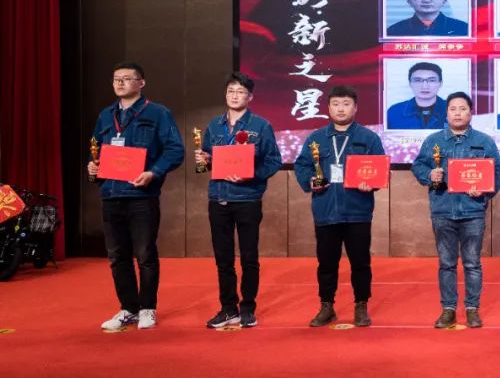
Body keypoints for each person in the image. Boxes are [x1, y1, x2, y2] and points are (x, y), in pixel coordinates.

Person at [88, 62, 184, 331]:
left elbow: (175, 150)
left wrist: (153, 172)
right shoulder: (105, 116)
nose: (120, 83)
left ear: (141, 83)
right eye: (116, 79)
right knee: (117, 256)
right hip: (111, 193)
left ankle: (147, 308)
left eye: (127, 78)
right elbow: (96, 151)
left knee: (145, 254)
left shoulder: (158, 113)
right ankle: (128, 308)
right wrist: (93, 167)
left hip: (141, 194)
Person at [194, 72, 283, 330]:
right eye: (231, 91)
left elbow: (274, 161)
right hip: (218, 197)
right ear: (225, 95)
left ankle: (247, 309)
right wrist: (204, 160)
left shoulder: (261, 126)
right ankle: (227, 308)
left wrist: (250, 175)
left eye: (240, 91)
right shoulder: (214, 126)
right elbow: (209, 160)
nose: (235, 96)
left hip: (247, 198)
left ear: (250, 97)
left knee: (248, 257)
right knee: (223, 258)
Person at [294, 85, 386, 328]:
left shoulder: (369, 138)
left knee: (360, 262)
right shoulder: (316, 138)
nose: (341, 109)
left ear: (355, 108)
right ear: (328, 108)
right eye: (336, 104)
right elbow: (302, 165)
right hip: (325, 209)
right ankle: (327, 306)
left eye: (346, 104)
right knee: (326, 263)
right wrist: (309, 181)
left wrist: (372, 184)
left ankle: (361, 305)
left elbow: (380, 169)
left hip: (358, 211)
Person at [411, 92, 500, 329]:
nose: (458, 113)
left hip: (473, 211)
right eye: (453, 109)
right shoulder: (433, 141)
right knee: (446, 263)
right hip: (442, 210)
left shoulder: (484, 141)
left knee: (472, 263)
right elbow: (418, 165)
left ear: (471, 113)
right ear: (446, 113)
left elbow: (497, 172)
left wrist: (484, 191)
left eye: (463, 109)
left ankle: (472, 309)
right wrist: (429, 174)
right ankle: (448, 309)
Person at [386, 0, 469, 37]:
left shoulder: (463, 28)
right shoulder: (394, 30)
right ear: (409, 2)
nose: (427, 0)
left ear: (444, 2)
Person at [386, 62, 448, 130]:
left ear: (440, 83)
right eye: (418, 80)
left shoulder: (452, 109)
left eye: (431, 80)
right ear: (410, 83)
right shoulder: (394, 112)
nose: (425, 86)